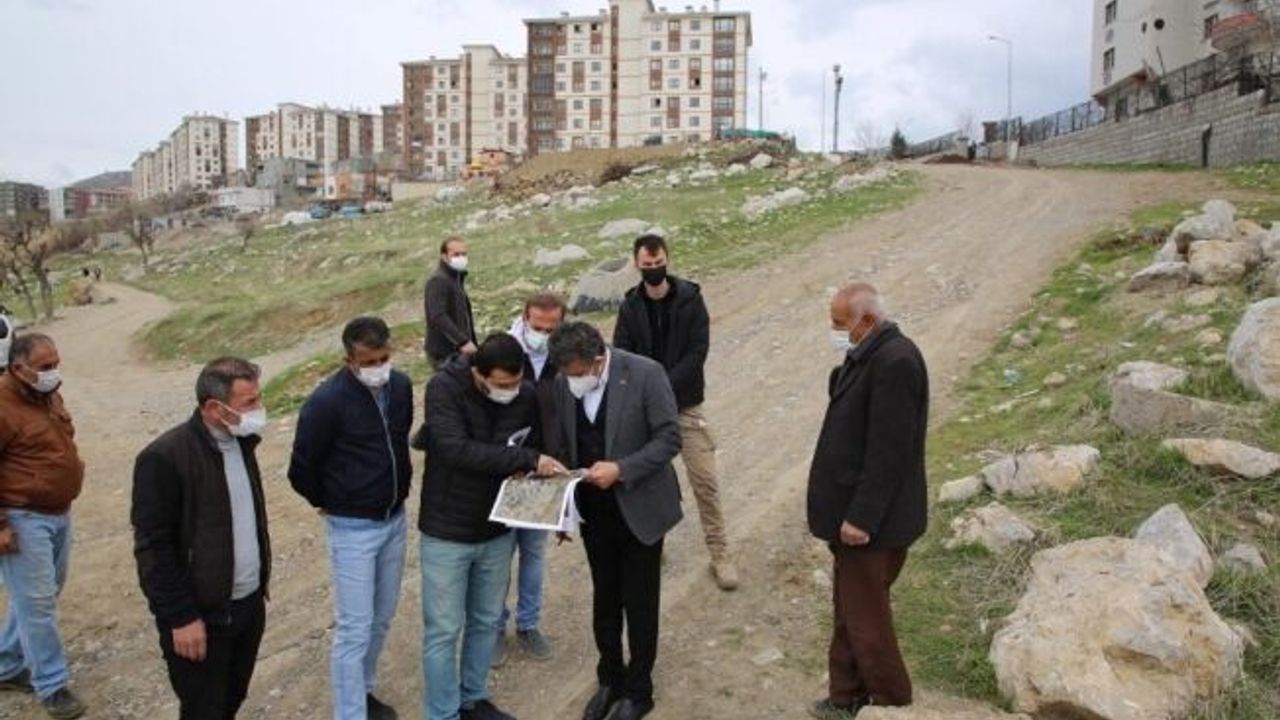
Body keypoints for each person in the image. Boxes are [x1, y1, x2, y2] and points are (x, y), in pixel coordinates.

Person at [418, 334, 566, 720]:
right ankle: (443, 713)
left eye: (515, 383)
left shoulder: (526, 395)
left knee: (485, 621)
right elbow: (455, 449)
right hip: (446, 531)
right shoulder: (443, 390)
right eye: (501, 385)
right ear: (477, 374)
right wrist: (525, 458)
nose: (510, 392)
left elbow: (537, 445)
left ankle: (474, 698)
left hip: (497, 528)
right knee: (444, 631)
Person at [547, 322, 682, 720]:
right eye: (565, 375)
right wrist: (561, 507)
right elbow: (566, 445)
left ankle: (640, 690)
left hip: (639, 507)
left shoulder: (645, 374)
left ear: (598, 360)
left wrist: (622, 469)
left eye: (576, 374)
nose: (571, 381)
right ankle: (610, 677)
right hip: (594, 511)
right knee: (604, 597)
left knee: (640, 600)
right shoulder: (563, 383)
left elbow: (669, 438)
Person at [806, 284, 929, 719]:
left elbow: (888, 453)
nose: (835, 332)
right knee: (849, 608)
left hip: (873, 526)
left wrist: (860, 517)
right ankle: (846, 695)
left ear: (868, 321)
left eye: (840, 325)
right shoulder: (870, 352)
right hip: (855, 518)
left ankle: (892, 703)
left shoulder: (896, 361)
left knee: (867, 620)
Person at [132, 357, 272, 720]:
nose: (258, 411)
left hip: (247, 606)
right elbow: (153, 548)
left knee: (231, 699)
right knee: (203, 710)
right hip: (202, 619)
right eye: (249, 403)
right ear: (214, 408)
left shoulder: (241, 442)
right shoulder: (164, 458)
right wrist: (181, 617)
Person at [288, 317, 413, 720]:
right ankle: (350, 713)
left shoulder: (401, 387)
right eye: (368, 360)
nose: (378, 366)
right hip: (352, 528)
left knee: (381, 618)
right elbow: (302, 468)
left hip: (394, 520)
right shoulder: (326, 403)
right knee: (354, 628)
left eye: (384, 357)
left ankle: (365, 691)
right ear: (348, 360)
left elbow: (399, 438)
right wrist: (330, 500)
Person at [613, 234, 739, 591]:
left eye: (658, 263)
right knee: (646, 482)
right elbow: (622, 352)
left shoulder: (690, 298)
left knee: (705, 481)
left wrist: (663, 385)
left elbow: (698, 350)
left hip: (684, 405)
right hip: (644, 410)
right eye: (647, 265)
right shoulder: (630, 306)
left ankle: (720, 553)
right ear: (636, 264)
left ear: (667, 259)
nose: (653, 270)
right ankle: (652, 544)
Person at [0, 334, 87, 719]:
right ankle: (52, 685)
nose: (54, 373)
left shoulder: (47, 395)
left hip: (58, 512)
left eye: (56, 363)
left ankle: (7, 663)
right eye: (46, 367)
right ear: (19, 369)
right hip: (22, 516)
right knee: (37, 605)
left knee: (40, 594)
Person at [493, 292, 567, 667]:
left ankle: (528, 624)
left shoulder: (564, 353)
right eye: (537, 327)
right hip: (506, 471)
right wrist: (514, 460)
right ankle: (494, 629)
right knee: (499, 556)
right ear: (524, 318)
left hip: (544, 471)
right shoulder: (504, 351)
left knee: (534, 553)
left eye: (551, 328)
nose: (543, 334)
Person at [424, 236, 477, 369]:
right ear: (444, 256)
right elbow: (438, 315)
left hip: (459, 351)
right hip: (445, 353)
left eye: (464, 254)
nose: (461, 258)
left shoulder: (456, 279)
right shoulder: (439, 281)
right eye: (456, 254)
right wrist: (463, 341)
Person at [0, 305, 12, 372]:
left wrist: (8, 338)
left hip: (4, 341)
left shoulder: (2, 318)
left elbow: (9, 328)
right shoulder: (3, 317)